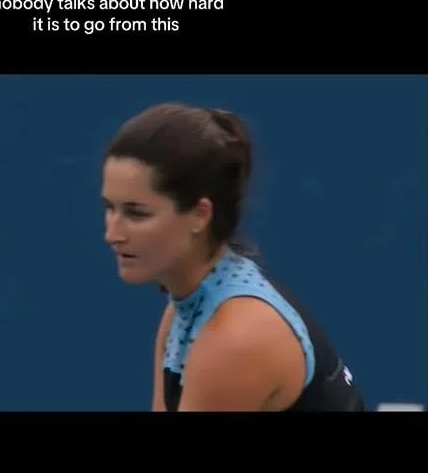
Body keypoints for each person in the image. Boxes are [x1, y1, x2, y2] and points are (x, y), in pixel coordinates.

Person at [101, 103, 366, 412]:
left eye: (136, 213)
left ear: (200, 215)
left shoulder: (235, 338)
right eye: (109, 208)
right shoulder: (183, 309)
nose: (112, 234)